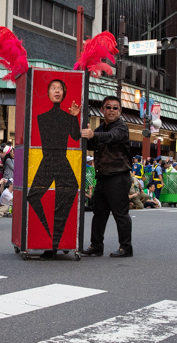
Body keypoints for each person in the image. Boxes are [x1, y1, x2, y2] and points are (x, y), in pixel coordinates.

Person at [27, 79, 81, 259]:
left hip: (61, 161)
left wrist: (74, 116)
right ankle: (52, 238)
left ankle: (57, 242)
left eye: (60, 89)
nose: (57, 91)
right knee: (34, 195)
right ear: (48, 92)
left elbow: (75, 137)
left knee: (68, 192)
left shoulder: (67, 117)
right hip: (49, 160)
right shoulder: (41, 118)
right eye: (53, 88)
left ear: (64, 93)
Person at [81, 96, 132, 257]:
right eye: (108, 107)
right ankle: (96, 245)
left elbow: (113, 136)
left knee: (120, 214)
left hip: (118, 177)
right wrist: (83, 131)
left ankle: (126, 247)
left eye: (115, 108)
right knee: (99, 214)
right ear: (102, 110)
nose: (111, 110)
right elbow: (89, 144)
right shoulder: (100, 128)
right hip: (102, 177)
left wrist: (93, 135)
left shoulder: (121, 127)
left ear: (120, 111)